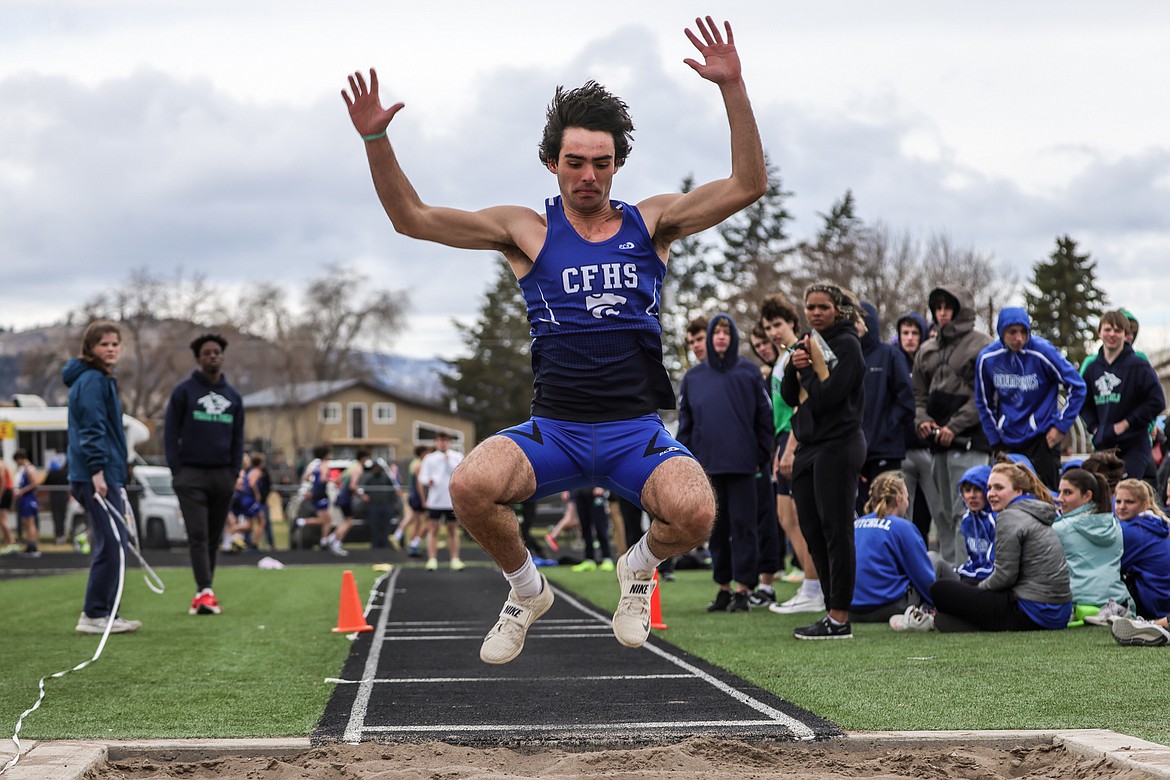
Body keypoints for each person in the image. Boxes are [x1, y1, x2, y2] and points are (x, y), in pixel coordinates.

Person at [343, 15, 766, 664]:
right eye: (575, 163)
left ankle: (639, 565)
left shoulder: (651, 223)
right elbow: (413, 219)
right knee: (467, 487)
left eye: (601, 163)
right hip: (555, 432)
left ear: (618, 164)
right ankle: (525, 590)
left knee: (697, 513)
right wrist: (375, 138)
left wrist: (732, 88)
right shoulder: (525, 229)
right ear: (553, 163)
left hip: (635, 432)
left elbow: (746, 186)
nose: (588, 176)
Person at [780, 282, 867, 640]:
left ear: (837, 309)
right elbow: (789, 398)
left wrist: (808, 371)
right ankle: (829, 612)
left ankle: (840, 616)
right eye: (811, 307)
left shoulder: (847, 344)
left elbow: (830, 396)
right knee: (813, 532)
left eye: (823, 307)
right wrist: (793, 368)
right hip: (808, 445)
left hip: (840, 444)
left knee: (836, 530)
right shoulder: (805, 340)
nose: (816, 313)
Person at [677, 313, 773, 613]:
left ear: (732, 337)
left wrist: (761, 456)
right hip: (708, 467)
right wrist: (686, 462)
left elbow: (764, 419)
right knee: (715, 531)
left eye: (725, 332)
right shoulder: (693, 378)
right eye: (716, 333)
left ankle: (744, 588)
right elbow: (686, 425)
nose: (720, 337)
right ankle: (723, 588)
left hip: (744, 466)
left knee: (745, 527)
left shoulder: (749, 373)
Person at [926, 462, 1072, 633]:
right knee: (954, 605)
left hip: (1034, 612)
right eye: (989, 488)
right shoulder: (1030, 511)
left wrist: (976, 591)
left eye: (999, 488)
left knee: (940, 589)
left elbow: (1004, 577)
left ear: (1018, 491)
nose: (991, 494)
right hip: (1058, 612)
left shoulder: (1009, 516)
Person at [63, 321, 142, 635]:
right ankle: (95, 614)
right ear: (90, 348)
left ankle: (107, 612)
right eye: (104, 344)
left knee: (116, 542)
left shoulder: (101, 379)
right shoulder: (93, 380)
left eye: (115, 343)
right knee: (110, 543)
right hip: (95, 476)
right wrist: (98, 471)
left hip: (106, 474)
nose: (111, 348)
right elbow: (92, 429)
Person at [165, 333, 246, 616]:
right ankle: (205, 591)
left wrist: (234, 471)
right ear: (198, 358)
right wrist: (178, 472)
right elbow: (170, 435)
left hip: (222, 476)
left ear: (222, 357)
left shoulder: (233, 397)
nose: (213, 356)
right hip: (191, 476)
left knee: (213, 537)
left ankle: (204, 591)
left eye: (217, 353)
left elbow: (238, 439)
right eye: (207, 353)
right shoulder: (184, 392)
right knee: (198, 534)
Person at [912, 286, 994, 567]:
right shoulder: (926, 349)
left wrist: (955, 427)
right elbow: (918, 395)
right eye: (938, 306)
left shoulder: (982, 345)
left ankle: (969, 576)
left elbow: (986, 395)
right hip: (937, 445)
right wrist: (922, 419)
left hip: (969, 441)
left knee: (968, 511)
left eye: (949, 306)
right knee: (943, 515)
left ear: (961, 309)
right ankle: (949, 579)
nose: (942, 312)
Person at [974, 307, 1086, 490]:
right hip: (1007, 441)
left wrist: (1060, 427)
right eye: (1012, 332)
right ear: (1001, 332)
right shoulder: (988, 358)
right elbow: (983, 401)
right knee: (1007, 498)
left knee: (1046, 498)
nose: (1018, 338)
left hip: (1042, 439)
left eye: (1023, 332)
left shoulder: (1043, 352)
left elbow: (1077, 386)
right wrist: (995, 439)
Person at [761, 293, 823, 614]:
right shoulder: (780, 358)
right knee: (786, 518)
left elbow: (804, 403)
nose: (772, 331)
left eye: (778, 324)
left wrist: (790, 446)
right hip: (782, 440)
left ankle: (814, 587)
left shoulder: (799, 353)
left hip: (795, 439)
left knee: (801, 518)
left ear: (792, 323)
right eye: (768, 326)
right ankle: (811, 586)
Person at [1080, 310, 1165, 485]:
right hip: (1104, 444)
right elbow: (1082, 402)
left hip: (1134, 443)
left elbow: (1157, 401)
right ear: (1099, 333)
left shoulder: (1138, 365)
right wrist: (1095, 428)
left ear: (1126, 335)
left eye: (1118, 330)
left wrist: (1126, 423)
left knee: (1126, 489)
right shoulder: (1092, 367)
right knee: (1101, 491)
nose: (1112, 334)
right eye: (1108, 329)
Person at [850, 471, 936, 624]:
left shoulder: (855, 525)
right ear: (898, 499)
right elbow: (924, 577)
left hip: (851, 610)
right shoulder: (902, 527)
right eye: (907, 497)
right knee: (935, 560)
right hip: (890, 607)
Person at [856, 302, 915, 513]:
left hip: (886, 450)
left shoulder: (890, 355)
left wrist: (888, 428)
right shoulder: (848, 358)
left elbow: (906, 400)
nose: (857, 324)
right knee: (863, 510)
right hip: (857, 453)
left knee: (889, 509)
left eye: (860, 319)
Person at [1052, 467, 1129, 620]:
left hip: (1077, 603)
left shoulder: (1059, 528)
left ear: (1087, 496)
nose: (1060, 498)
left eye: (1067, 492)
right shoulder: (1115, 525)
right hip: (1117, 600)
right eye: (1059, 492)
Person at [892, 311, 939, 546]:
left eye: (914, 333)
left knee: (937, 512)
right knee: (903, 515)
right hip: (901, 450)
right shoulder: (892, 361)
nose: (909, 338)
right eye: (905, 333)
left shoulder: (930, 363)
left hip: (928, 449)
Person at [1113, 478, 1170, 621]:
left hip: (1157, 605)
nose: (1122, 506)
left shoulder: (1133, 530)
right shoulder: (1157, 522)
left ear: (1145, 505)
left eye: (1130, 502)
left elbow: (1110, 567)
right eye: (1118, 501)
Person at [418, 432, 465, 571]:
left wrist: (449, 460)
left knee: (452, 529)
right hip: (435, 501)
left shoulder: (456, 456)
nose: (443, 443)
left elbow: (461, 474)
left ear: (449, 442)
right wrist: (429, 481)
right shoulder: (429, 458)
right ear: (436, 442)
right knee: (433, 529)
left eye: (445, 440)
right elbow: (422, 477)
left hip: (451, 500)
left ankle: (455, 559)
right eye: (440, 441)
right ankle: (432, 559)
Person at [324, 449, 368, 556]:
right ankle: (335, 541)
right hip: (346, 497)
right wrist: (362, 495)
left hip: (342, 496)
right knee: (348, 522)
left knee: (346, 521)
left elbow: (339, 479)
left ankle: (332, 538)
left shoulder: (352, 465)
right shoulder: (358, 468)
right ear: (363, 458)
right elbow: (353, 486)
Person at [391, 444, 430, 555]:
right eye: (427, 452)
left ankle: (406, 540)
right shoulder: (419, 465)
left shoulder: (415, 463)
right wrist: (423, 499)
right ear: (422, 453)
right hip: (416, 496)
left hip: (414, 495)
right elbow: (419, 484)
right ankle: (412, 543)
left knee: (414, 519)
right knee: (426, 521)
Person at [359, 456, 402, 548]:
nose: (376, 469)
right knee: (375, 527)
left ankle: (386, 546)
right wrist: (364, 497)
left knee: (386, 527)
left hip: (386, 506)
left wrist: (392, 504)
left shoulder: (386, 477)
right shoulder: (368, 478)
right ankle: (375, 546)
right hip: (374, 506)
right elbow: (361, 489)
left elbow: (393, 490)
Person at [569, 487, 616, 571]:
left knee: (600, 527)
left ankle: (607, 558)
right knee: (585, 528)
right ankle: (589, 560)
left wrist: (601, 486)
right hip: (580, 492)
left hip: (596, 493)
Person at [12, 450, 42, 557]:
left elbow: (35, 483)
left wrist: (22, 491)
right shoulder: (23, 470)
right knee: (25, 522)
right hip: (25, 498)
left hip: (29, 498)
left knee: (30, 522)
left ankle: (33, 546)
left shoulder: (30, 469)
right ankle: (29, 544)